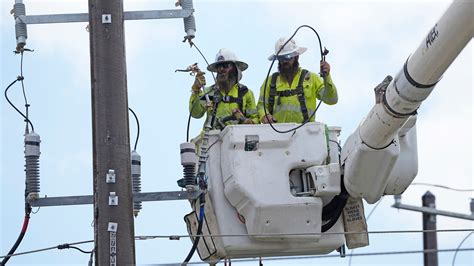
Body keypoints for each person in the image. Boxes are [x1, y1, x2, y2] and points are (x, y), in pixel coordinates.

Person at [257, 37, 338, 124]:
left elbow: (331, 99)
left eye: (287, 57)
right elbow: (261, 105)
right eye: (281, 58)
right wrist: (264, 116)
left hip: (305, 133)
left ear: (296, 57)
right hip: (277, 134)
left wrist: (327, 77)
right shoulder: (270, 81)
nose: (284, 62)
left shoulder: (311, 78)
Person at [189, 48, 259, 129]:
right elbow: (195, 114)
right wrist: (196, 90)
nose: (221, 69)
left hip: (237, 138)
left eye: (225, 66)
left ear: (235, 68)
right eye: (219, 66)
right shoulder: (209, 92)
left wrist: (245, 120)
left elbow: (255, 120)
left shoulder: (245, 93)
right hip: (211, 138)